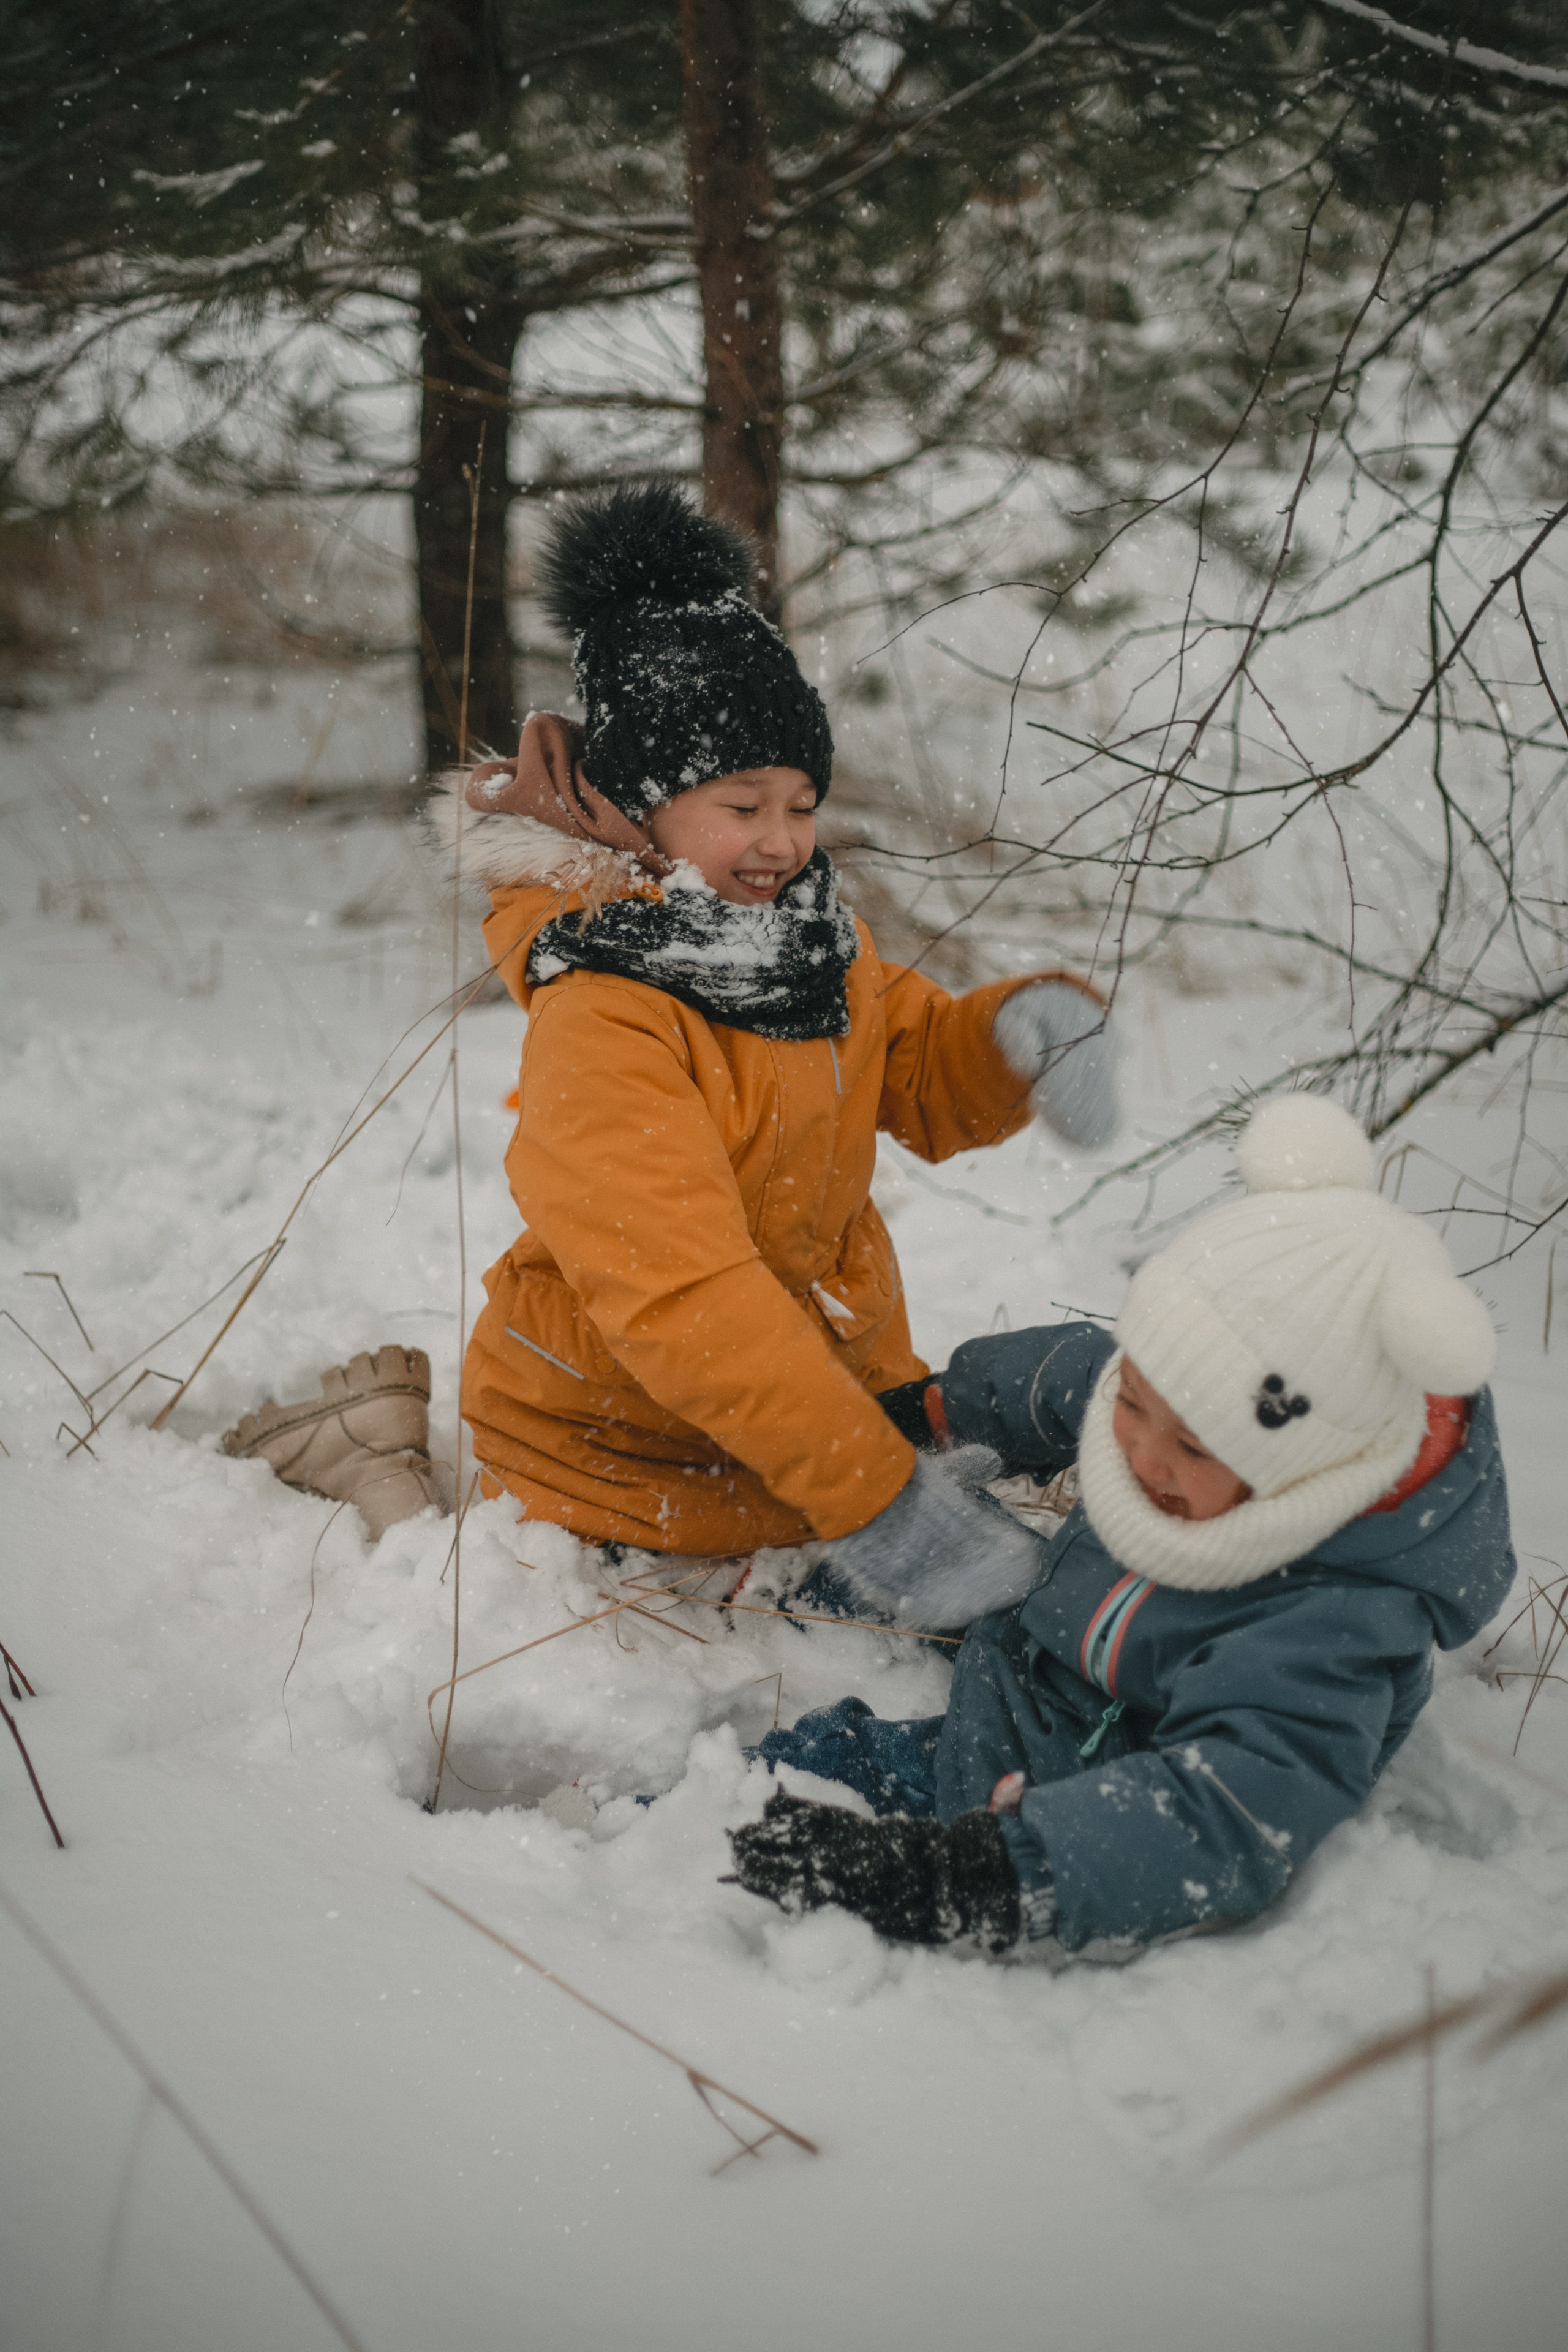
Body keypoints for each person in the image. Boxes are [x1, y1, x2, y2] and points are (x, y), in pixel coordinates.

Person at [227, 483, 1117, 1555]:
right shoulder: (605, 1015)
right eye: (742, 807)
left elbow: (916, 1064)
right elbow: (683, 1295)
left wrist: (1016, 1038)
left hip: (807, 1427)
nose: (783, 842)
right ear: (642, 807)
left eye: (801, 804)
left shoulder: (805, 943)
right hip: (620, 1464)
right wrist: (879, 1507)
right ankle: (379, 1482)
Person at [727, 1095, 1515, 1962]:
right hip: (1053, 1618)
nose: (1141, 1451)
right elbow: (1072, 1374)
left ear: (1308, 1472)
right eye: (1136, 1403)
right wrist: (931, 1412)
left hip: (1059, 1768)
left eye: (1189, 1446)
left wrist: (977, 1874)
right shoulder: (1191, 1392)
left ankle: (678, 1862)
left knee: (827, 1755)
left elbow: (1227, 1818)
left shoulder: (1333, 1628)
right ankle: (749, 1561)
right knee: (887, 1525)